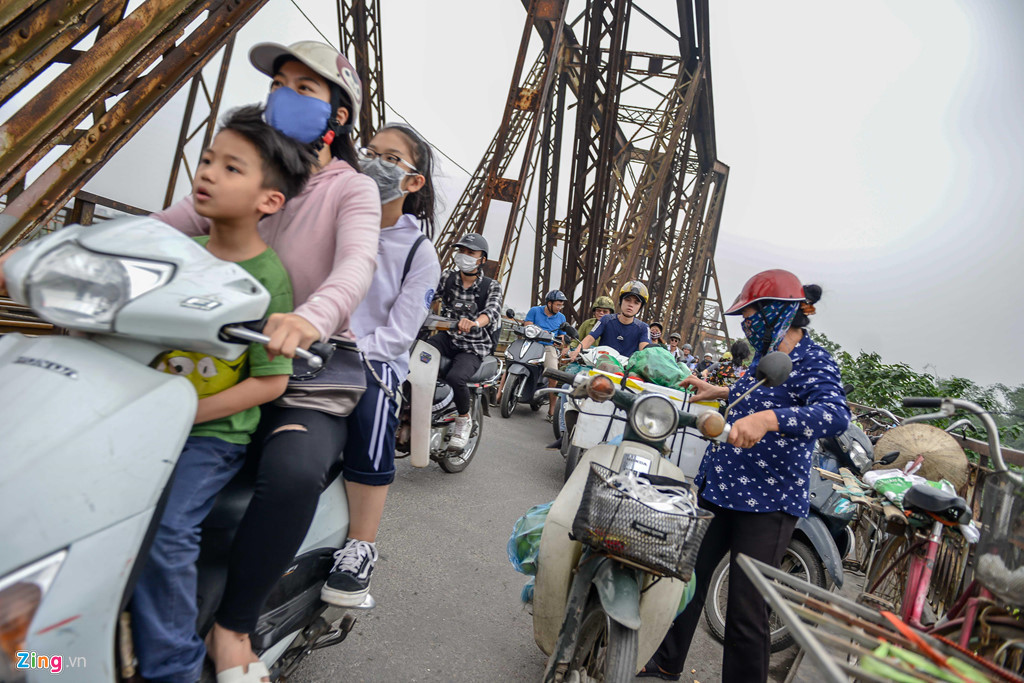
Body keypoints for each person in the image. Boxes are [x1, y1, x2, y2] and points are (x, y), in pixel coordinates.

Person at [152, 40, 380, 681]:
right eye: (279, 83)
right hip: (218, 349)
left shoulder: (352, 189)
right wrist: (60, 256)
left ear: (338, 114)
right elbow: (160, 227)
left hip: (307, 361)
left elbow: (356, 265)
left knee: (292, 471)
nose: (283, 95)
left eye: (305, 88)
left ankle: (233, 627)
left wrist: (310, 317)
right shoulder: (245, 173)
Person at [130, 106, 311, 683]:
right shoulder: (177, 253)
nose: (207, 172)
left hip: (209, 436)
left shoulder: (268, 279)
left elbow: (271, 380)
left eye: (231, 168)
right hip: (142, 419)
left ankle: (173, 667)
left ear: (270, 200)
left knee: (166, 531)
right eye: (207, 160)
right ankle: (49, 655)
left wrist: (186, 412)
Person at [640, 269, 850, 683]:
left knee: (746, 609)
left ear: (777, 312)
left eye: (751, 316)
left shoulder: (813, 359)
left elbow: (835, 414)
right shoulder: (764, 355)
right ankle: (665, 661)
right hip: (720, 485)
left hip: (768, 501)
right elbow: (756, 393)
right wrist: (718, 391)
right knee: (686, 579)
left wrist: (770, 420)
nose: (746, 325)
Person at [319, 122, 441, 608]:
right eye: (369, 152)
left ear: (413, 181)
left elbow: (399, 333)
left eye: (390, 159)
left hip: (371, 358)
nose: (373, 163)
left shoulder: (419, 252)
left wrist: (350, 349)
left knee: (373, 407)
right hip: (313, 342)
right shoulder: (336, 220)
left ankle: (361, 545)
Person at [428, 233, 503, 449]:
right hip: (448, 337)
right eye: (461, 251)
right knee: (417, 358)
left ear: (482, 259)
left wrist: (475, 323)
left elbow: (492, 312)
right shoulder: (447, 278)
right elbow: (428, 296)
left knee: (456, 377)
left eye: (471, 252)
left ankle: (463, 419)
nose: (464, 255)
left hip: (473, 344)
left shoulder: (491, 286)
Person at [498, 290, 569, 422]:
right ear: (549, 303)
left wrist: (561, 340)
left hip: (547, 347)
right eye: (558, 305)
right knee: (511, 361)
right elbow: (528, 325)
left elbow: (562, 335)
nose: (560, 307)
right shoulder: (535, 310)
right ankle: (499, 395)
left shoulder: (561, 318)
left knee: (554, 373)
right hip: (530, 342)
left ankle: (552, 410)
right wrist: (541, 331)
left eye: (561, 305)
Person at [568, 280, 651, 361]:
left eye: (636, 303)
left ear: (640, 307)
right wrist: (577, 351)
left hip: (626, 368)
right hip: (601, 363)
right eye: (627, 300)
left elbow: (645, 350)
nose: (631, 305)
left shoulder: (644, 328)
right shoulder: (606, 319)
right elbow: (590, 338)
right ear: (621, 301)